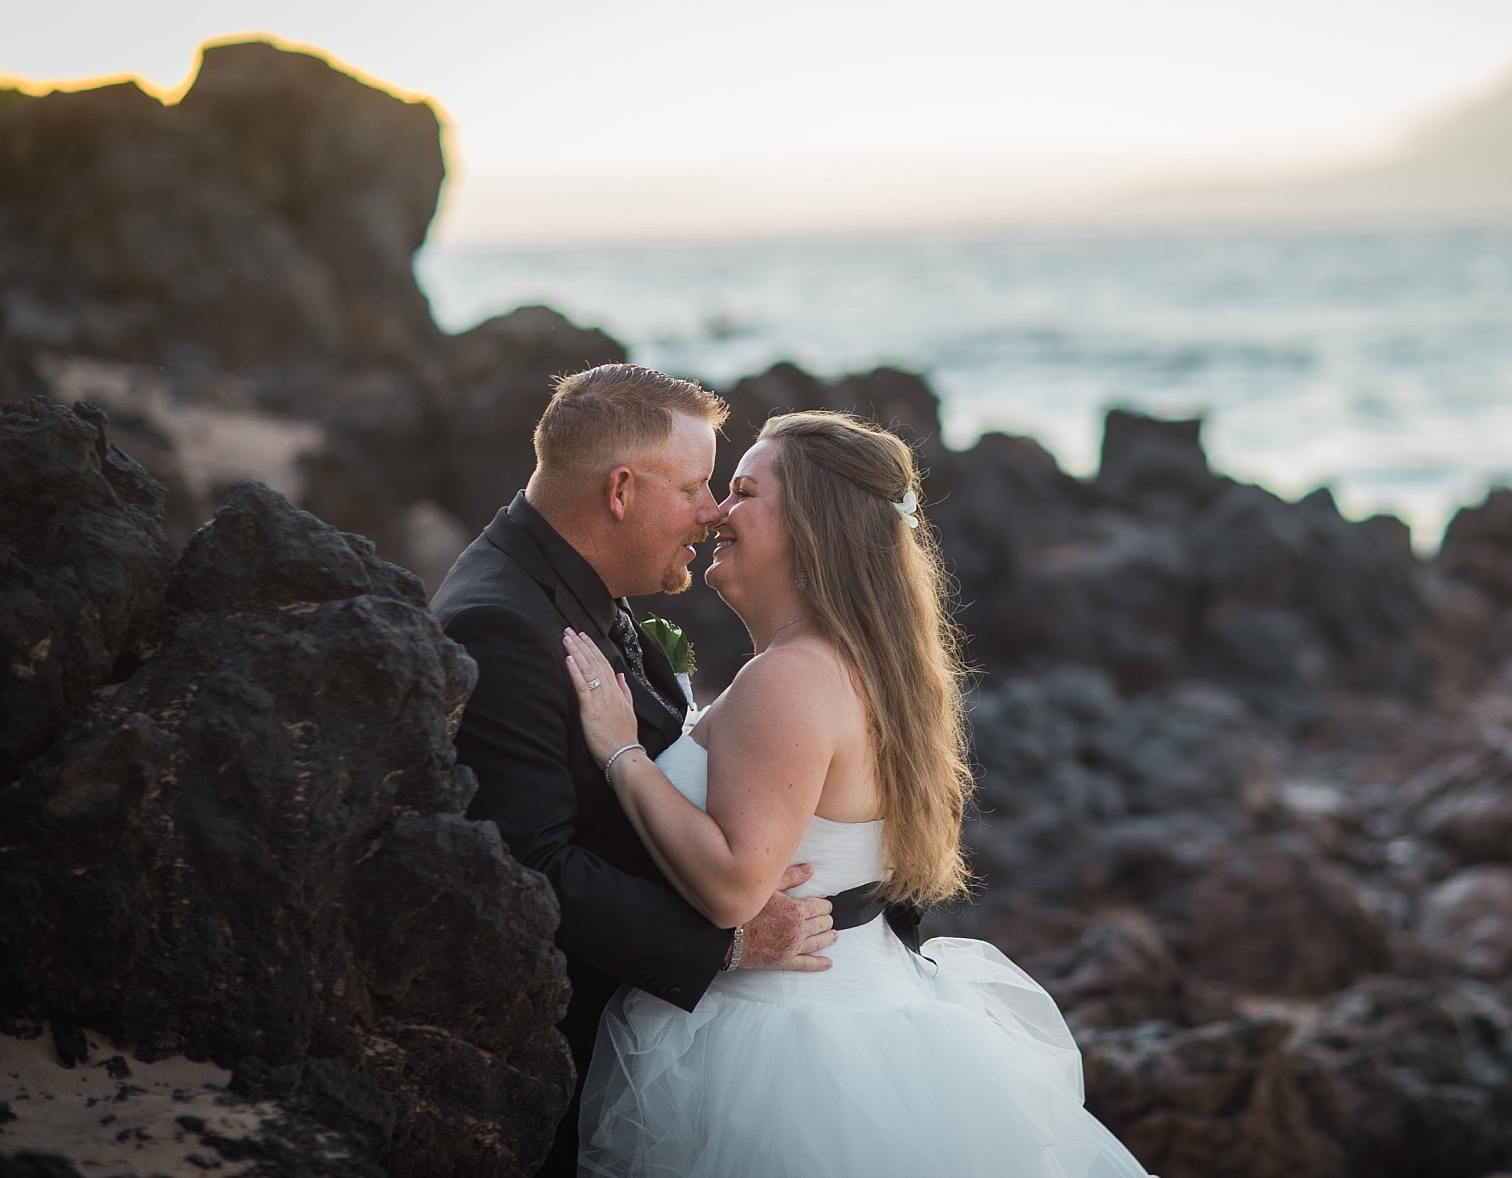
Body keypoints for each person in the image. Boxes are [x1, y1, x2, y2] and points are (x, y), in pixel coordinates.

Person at [566, 410, 1153, 1178]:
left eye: (742, 492)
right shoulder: (873, 668)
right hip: (877, 1007)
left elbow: (734, 888)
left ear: (812, 529)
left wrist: (622, 753)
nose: (716, 513)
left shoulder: (791, 677)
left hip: (781, 1039)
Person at [430, 365, 839, 1178]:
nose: (712, 511)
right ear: (620, 490)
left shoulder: (574, 584)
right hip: (561, 1051)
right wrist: (724, 946)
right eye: (694, 486)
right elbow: (526, 867)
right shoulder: (501, 624)